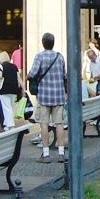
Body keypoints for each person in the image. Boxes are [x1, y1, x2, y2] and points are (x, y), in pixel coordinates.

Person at [27, 32, 67, 164]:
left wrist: (28, 76)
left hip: (44, 96)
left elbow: (32, 73)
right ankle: (61, 153)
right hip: (58, 95)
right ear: (53, 43)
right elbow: (64, 75)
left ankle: (46, 154)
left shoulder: (39, 56)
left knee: (44, 124)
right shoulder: (59, 57)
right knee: (59, 124)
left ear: (43, 43)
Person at [0, 57, 23, 130]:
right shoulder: (14, 66)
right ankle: (6, 124)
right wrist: (23, 89)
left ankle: (11, 125)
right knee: (11, 107)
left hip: (4, 89)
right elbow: (19, 78)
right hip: (14, 89)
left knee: (6, 108)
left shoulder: (0, 66)